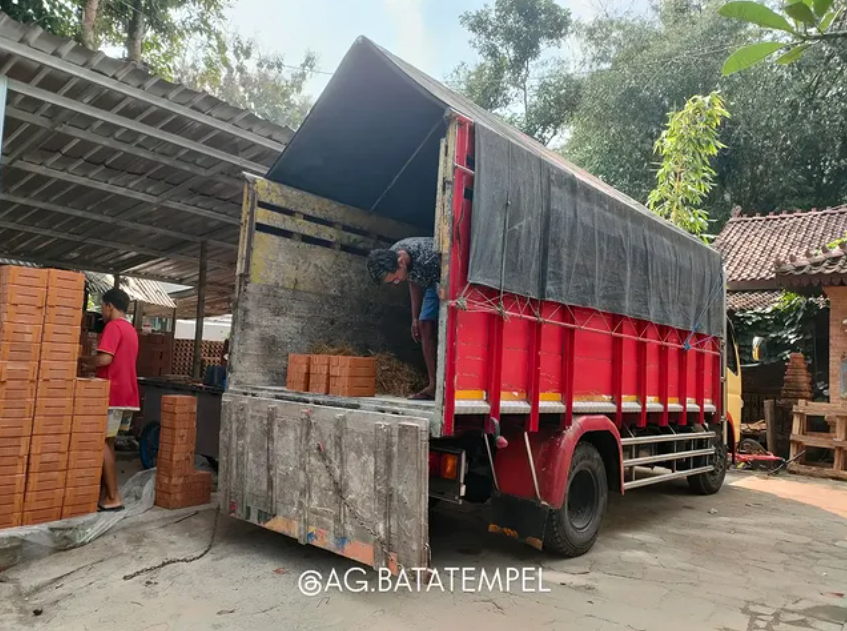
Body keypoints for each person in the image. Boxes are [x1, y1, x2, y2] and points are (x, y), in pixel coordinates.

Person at [79, 288, 139, 512]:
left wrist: (84, 360)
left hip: (112, 394)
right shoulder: (130, 329)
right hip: (127, 395)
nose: (102, 312)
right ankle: (109, 493)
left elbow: (105, 359)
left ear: (109, 306)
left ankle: (113, 497)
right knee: (109, 443)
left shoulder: (113, 327)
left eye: (103, 307)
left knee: (102, 442)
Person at [367, 237, 440, 400]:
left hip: (446, 277)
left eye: (395, 278)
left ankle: (450, 384)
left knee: (448, 327)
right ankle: (434, 385)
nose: (396, 283)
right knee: (424, 325)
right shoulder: (394, 252)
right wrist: (415, 318)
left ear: (401, 262)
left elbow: (447, 277)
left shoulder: (428, 257)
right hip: (430, 284)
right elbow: (413, 281)